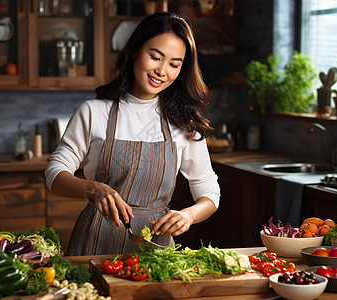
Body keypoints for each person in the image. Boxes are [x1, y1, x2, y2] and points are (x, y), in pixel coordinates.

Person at [45, 12, 220, 255]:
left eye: (174, 64)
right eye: (155, 57)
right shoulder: (94, 112)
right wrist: (93, 189)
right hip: (94, 242)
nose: (162, 71)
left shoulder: (183, 123)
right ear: (134, 51)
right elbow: (54, 175)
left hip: (156, 248)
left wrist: (188, 215)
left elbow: (209, 191)